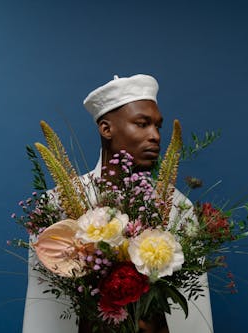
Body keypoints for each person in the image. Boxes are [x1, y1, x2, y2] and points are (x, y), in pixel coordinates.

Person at [22, 74, 214, 333]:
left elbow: (195, 304)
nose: (155, 136)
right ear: (106, 128)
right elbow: (45, 306)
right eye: (142, 124)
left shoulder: (178, 206)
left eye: (158, 126)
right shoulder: (56, 203)